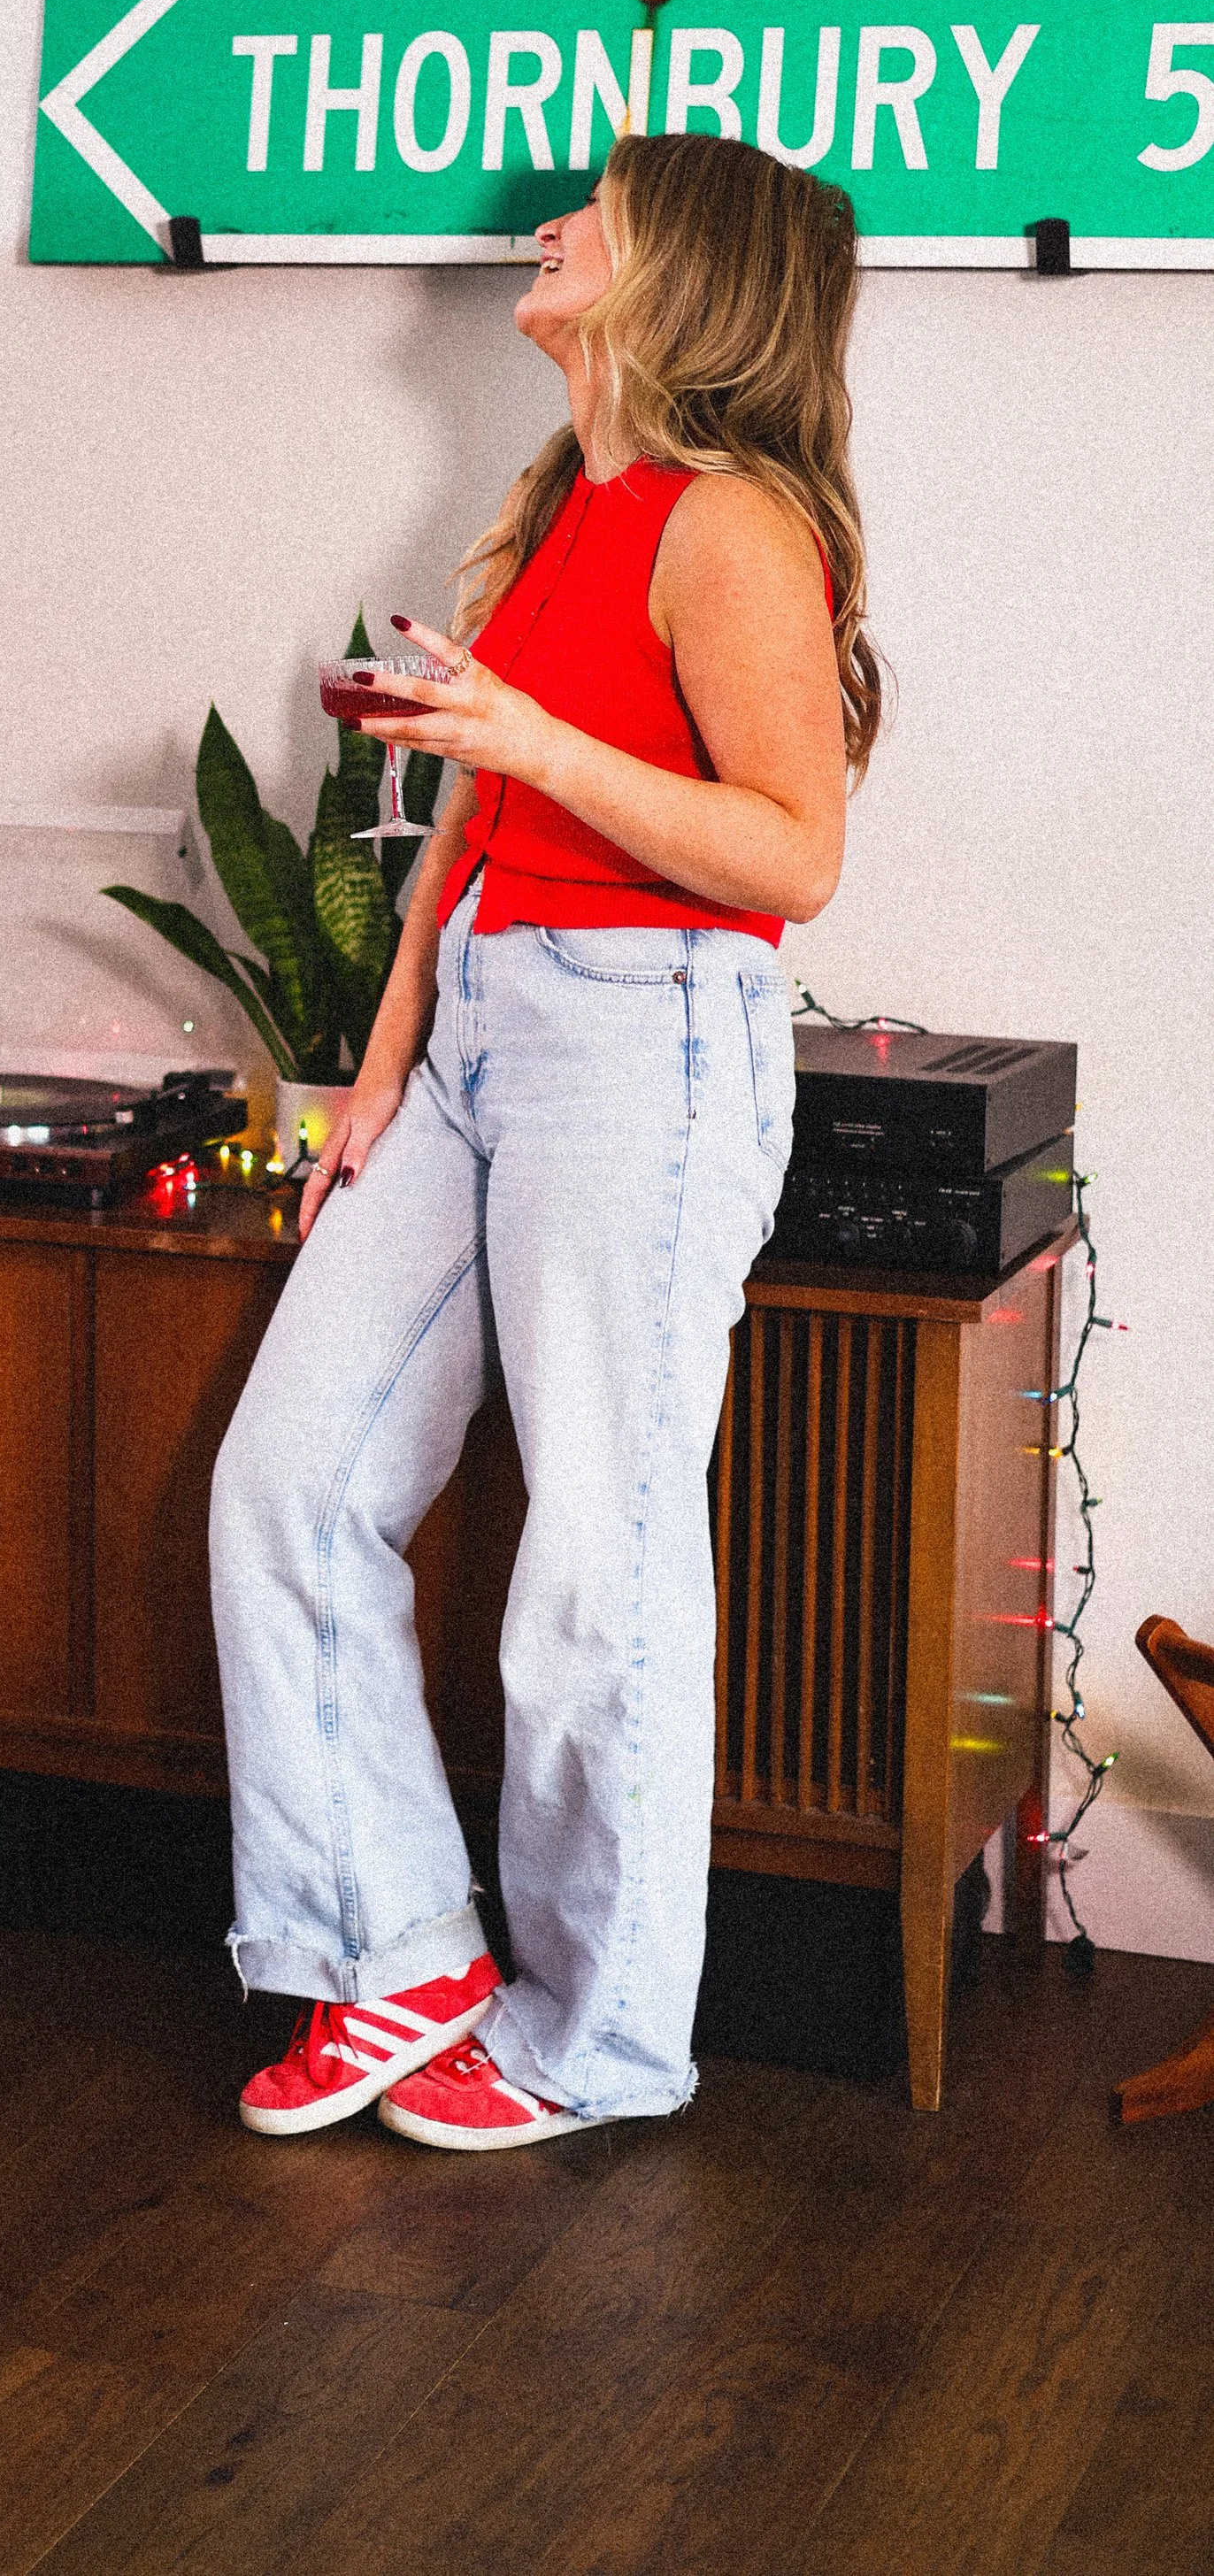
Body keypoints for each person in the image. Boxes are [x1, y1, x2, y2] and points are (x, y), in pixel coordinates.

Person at [211, 132, 880, 2148]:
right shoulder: (553, 502)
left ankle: (600, 2037)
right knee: (291, 1483)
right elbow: (467, 835)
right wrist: (382, 1061)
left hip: (642, 1049)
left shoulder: (728, 523)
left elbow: (793, 852)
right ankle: (403, 1945)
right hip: (485, 1022)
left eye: (591, 206)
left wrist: (533, 744)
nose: (548, 224)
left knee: (593, 1556)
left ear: (680, 269)